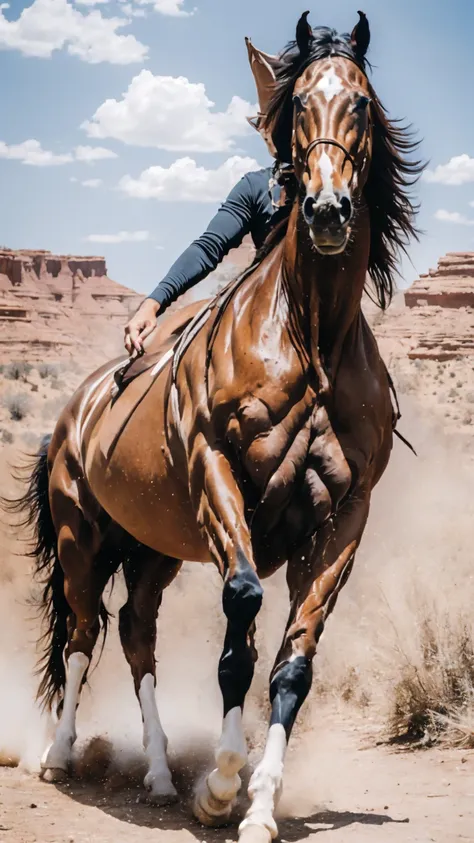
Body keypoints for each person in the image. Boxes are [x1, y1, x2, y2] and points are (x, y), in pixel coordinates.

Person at [124, 39, 290, 356]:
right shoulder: (257, 187)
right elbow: (208, 248)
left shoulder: (335, 190)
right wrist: (153, 303)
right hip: (268, 320)